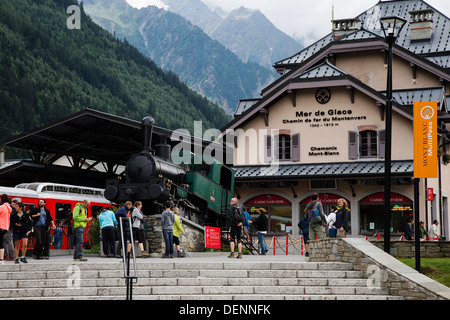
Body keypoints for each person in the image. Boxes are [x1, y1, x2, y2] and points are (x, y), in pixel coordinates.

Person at [0, 194, 12, 264]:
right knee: (1, 243)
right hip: (5, 227)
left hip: (0, 226)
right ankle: (1, 259)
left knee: (0, 243)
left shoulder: (2, 207)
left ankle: (1, 259)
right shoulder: (8, 207)